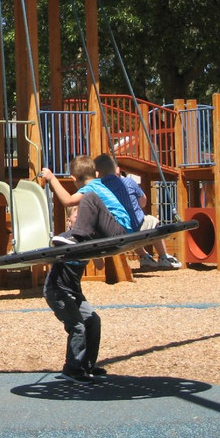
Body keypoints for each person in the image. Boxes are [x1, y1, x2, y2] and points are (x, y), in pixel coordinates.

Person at [43, 191, 130, 382]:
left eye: (84, 216)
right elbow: (53, 252)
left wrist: (97, 248)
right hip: (57, 291)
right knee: (78, 326)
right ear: (69, 221)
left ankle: (87, 365)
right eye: (77, 215)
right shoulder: (65, 238)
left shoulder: (87, 241)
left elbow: (99, 265)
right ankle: (72, 369)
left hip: (74, 291)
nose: (82, 219)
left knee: (93, 321)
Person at [93, 153, 181, 270]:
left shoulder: (98, 188)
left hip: (115, 232)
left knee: (128, 229)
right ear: (117, 170)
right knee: (152, 221)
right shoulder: (129, 183)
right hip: (136, 228)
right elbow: (143, 202)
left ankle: (144, 256)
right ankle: (163, 256)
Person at [39, 155, 133, 238]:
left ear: (73, 178)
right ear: (96, 174)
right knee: (89, 210)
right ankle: (75, 235)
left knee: (89, 197)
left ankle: (78, 236)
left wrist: (52, 178)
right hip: (120, 228)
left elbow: (68, 201)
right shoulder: (100, 184)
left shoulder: (92, 188)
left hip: (119, 229)